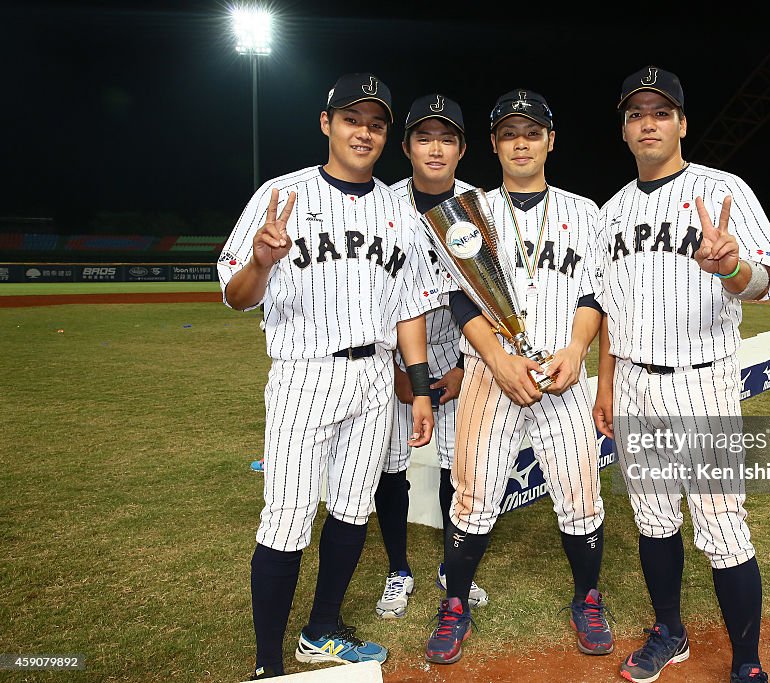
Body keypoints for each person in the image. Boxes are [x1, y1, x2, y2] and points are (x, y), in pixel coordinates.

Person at [217, 72, 443, 680]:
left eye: (374, 123)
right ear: (327, 124)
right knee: (287, 518)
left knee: (350, 510)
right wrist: (262, 262)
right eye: (351, 119)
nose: (363, 132)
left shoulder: (400, 213)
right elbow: (236, 296)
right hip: (303, 374)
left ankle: (320, 633)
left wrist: (419, 390)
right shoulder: (280, 194)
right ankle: (268, 666)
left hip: (374, 379)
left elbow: (410, 306)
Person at [593, 66, 770, 683]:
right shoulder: (612, 211)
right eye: (635, 114)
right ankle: (670, 633)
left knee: (723, 525)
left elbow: (764, 282)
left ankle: (747, 662)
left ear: (681, 122)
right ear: (625, 131)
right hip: (634, 383)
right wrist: (605, 386)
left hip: (702, 378)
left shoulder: (722, 188)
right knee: (652, 518)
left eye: (660, 112)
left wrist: (731, 266)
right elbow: (606, 310)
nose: (647, 123)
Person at [423, 88, 613, 664]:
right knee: (473, 498)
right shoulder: (468, 209)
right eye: (510, 134)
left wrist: (578, 348)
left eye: (532, 133)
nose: (521, 143)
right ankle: (455, 602)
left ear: (550, 141)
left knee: (581, 498)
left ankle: (587, 596)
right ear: (494, 144)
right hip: (490, 373)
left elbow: (594, 292)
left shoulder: (585, 212)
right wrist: (499, 360)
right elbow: (458, 297)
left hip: (561, 374)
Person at [373, 93, 490, 620]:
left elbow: (495, 294)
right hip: (395, 359)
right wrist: (398, 369)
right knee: (388, 467)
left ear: (462, 149)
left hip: (462, 358)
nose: (435, 148)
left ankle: (451, 565)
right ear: (407, 146)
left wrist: (469, 366)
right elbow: (370, 291)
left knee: (455, 468)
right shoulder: (381, 203)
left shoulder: (480, 206)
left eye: (446, 138)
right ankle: (399, 568)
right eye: (425, 137)